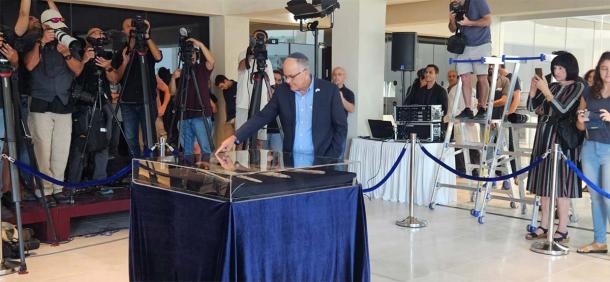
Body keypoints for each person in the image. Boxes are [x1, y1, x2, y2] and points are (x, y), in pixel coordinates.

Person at [217, 52, 347, 159]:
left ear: (305, 72)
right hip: (291, 163)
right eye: (285, 77)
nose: (288, 81)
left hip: (322, 161)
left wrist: (332, 156)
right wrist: (235, 137)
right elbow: (262, 117)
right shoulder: (283, 91)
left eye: (291, 76)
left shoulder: (329, 91)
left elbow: (341, 127)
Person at [24, 8, 83, 205]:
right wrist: (41, 42)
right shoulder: (33, 41)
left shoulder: (68, 42)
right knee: (42, 149)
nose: (56, 31)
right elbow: (29, 65)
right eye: (52, 28)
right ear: (43, 26)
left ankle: (58, 188)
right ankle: (44, 191)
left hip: (63, 103)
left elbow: (78, 70)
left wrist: (67, 54)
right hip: (41, 102)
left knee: (61, 150)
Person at [525, 51, 585, 244]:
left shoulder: (577, 87)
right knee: (544, 185)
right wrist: (534, 90)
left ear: (570, 68)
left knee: (561, 186)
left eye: (560, 68)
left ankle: (563, 229)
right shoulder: (550, 85)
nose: (556, 72)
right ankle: (544, 225)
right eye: (554, 68)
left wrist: (547, 92)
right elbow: (533, 109)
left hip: (562, 142)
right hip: (544, 139)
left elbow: (562, 109)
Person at [66, 27, 117, 185]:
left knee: (103, 142)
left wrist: (107, 66)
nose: (100, 34)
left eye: (101, 32)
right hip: (84, 104)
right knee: (81, 143)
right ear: (88, 38)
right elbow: (72, 77)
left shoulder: (107, 56)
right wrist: (84, 60)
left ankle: (99, 181)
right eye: (95, 32)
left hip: (103, 104)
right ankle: (74, 182)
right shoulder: (78, 52)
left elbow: (114, 80)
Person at [576, 52, 610, 254]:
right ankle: (599, 241)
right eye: (604, 68)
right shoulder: (589, 92)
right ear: (598, 70)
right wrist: (580, 119)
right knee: (595, 197)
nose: (607, 73)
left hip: (609, 149)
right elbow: (580, 126)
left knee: (607, 196)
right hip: (589, 148)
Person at [114, 17, 163, 157]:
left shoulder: (147, 47)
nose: (132, 28)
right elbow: (116, 76)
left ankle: (151, 169)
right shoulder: (122, 52)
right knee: (131, 138)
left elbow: (158, 57)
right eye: (128, 27)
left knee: (150, 137)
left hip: (147, 100)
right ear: (124, 31)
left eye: (134, 26)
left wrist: (146, 35)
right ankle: (135, 169)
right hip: (128, 101)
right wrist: (125, 59)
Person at [449, 0, 492, 119]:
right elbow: (452, 29)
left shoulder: (477, 1)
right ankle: (467, 108)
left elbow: (488, 20)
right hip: (464, 45)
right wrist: (452, 20)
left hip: (481, 43)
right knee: (464, 77)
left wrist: (469, 23)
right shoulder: (453, 5)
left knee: (482, 77)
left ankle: (482, 107)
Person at [175, 38, 215, 155]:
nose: (190, 55)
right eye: (188, 53)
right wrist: (173, 78)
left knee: (205, 149)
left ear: (196, 55)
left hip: (200, 115)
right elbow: (173, 92)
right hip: (185, 114)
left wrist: (201, 45)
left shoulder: (202, 68)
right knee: (187, 150)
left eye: (192, 53)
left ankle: (206, 172)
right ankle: (189, 171)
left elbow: (211, 62)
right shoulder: (182, 71)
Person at [235, 30, 275, 147]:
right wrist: (251, 54)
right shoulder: (244, 54)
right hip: (243, 104)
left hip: (261, 106)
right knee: (240, 138)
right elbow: (241, 67)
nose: (260, 41)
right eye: (257, 38)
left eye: (262, 39)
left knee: (259, 140)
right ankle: (240, 163)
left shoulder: (267, 60)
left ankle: (258, 164)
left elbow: (270, 83)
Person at [446, 69, 480, 174]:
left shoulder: (473, 90)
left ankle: (475, 169)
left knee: (474, 147)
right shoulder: (452, 91)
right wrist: (462, 117)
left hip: (472, 123)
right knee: (460, 147)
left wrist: (472, 117)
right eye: (450, 76)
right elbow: (451, 108)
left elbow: (476, 105)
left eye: (454, 76)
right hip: (459, 122)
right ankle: (461, 170)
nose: (451, 78)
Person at [332, 67, 355, 159]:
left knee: (339, 157)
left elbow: (352, 109)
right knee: (324, 157)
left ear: (344, 77)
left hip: (340, 129)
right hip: (326, 128)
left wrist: (341, 98)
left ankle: (339, 174)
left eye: (339, 74)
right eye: (334, 74)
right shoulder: (327, 90)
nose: (336, 77)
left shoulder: (349, 93)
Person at [155, 68, 171, 141]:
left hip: (156, 113)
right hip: (139, 114)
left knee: (161, 138)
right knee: (141, 143)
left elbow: (167, 90)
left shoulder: (153, 76)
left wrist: (163, 107)